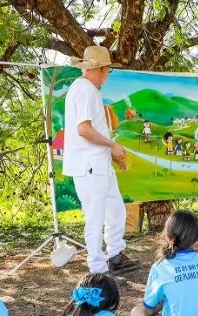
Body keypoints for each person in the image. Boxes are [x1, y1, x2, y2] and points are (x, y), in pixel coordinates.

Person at [63, 45, 136, 275]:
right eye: (108, 70)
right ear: (102, 69)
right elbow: (84, 129)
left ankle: (115, 255)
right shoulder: (85, 89)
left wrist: (111, 154)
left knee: (115, 210)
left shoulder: (87, 90)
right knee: (95, 216)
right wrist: (112, 145)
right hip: (89, 164)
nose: (108, 76)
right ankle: (97, 266)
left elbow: (90, 130)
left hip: (97, 163)